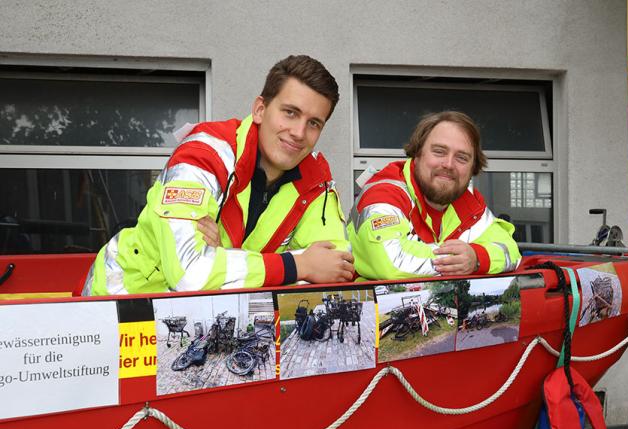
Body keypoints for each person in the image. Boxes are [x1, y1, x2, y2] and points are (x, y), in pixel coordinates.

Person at [81, 55, 354, 296]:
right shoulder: (203, 155)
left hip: (210, 321)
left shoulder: (317, 179)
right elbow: (191, 274)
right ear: (260, 109)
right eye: (290, 113)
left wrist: (222, 256)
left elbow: (334, 269)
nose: (299, 132)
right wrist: (298, 264)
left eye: (314, 123)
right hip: (122, 300)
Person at [347, 110, 520, 280]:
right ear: (417, 153)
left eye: (462, 158)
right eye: (439, 151)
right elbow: (392, 261)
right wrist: (460, 261)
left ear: (473, 168)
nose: (449, 164)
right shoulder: (383, 193)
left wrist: (476, 257)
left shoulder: (468, 202)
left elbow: (511, 252)